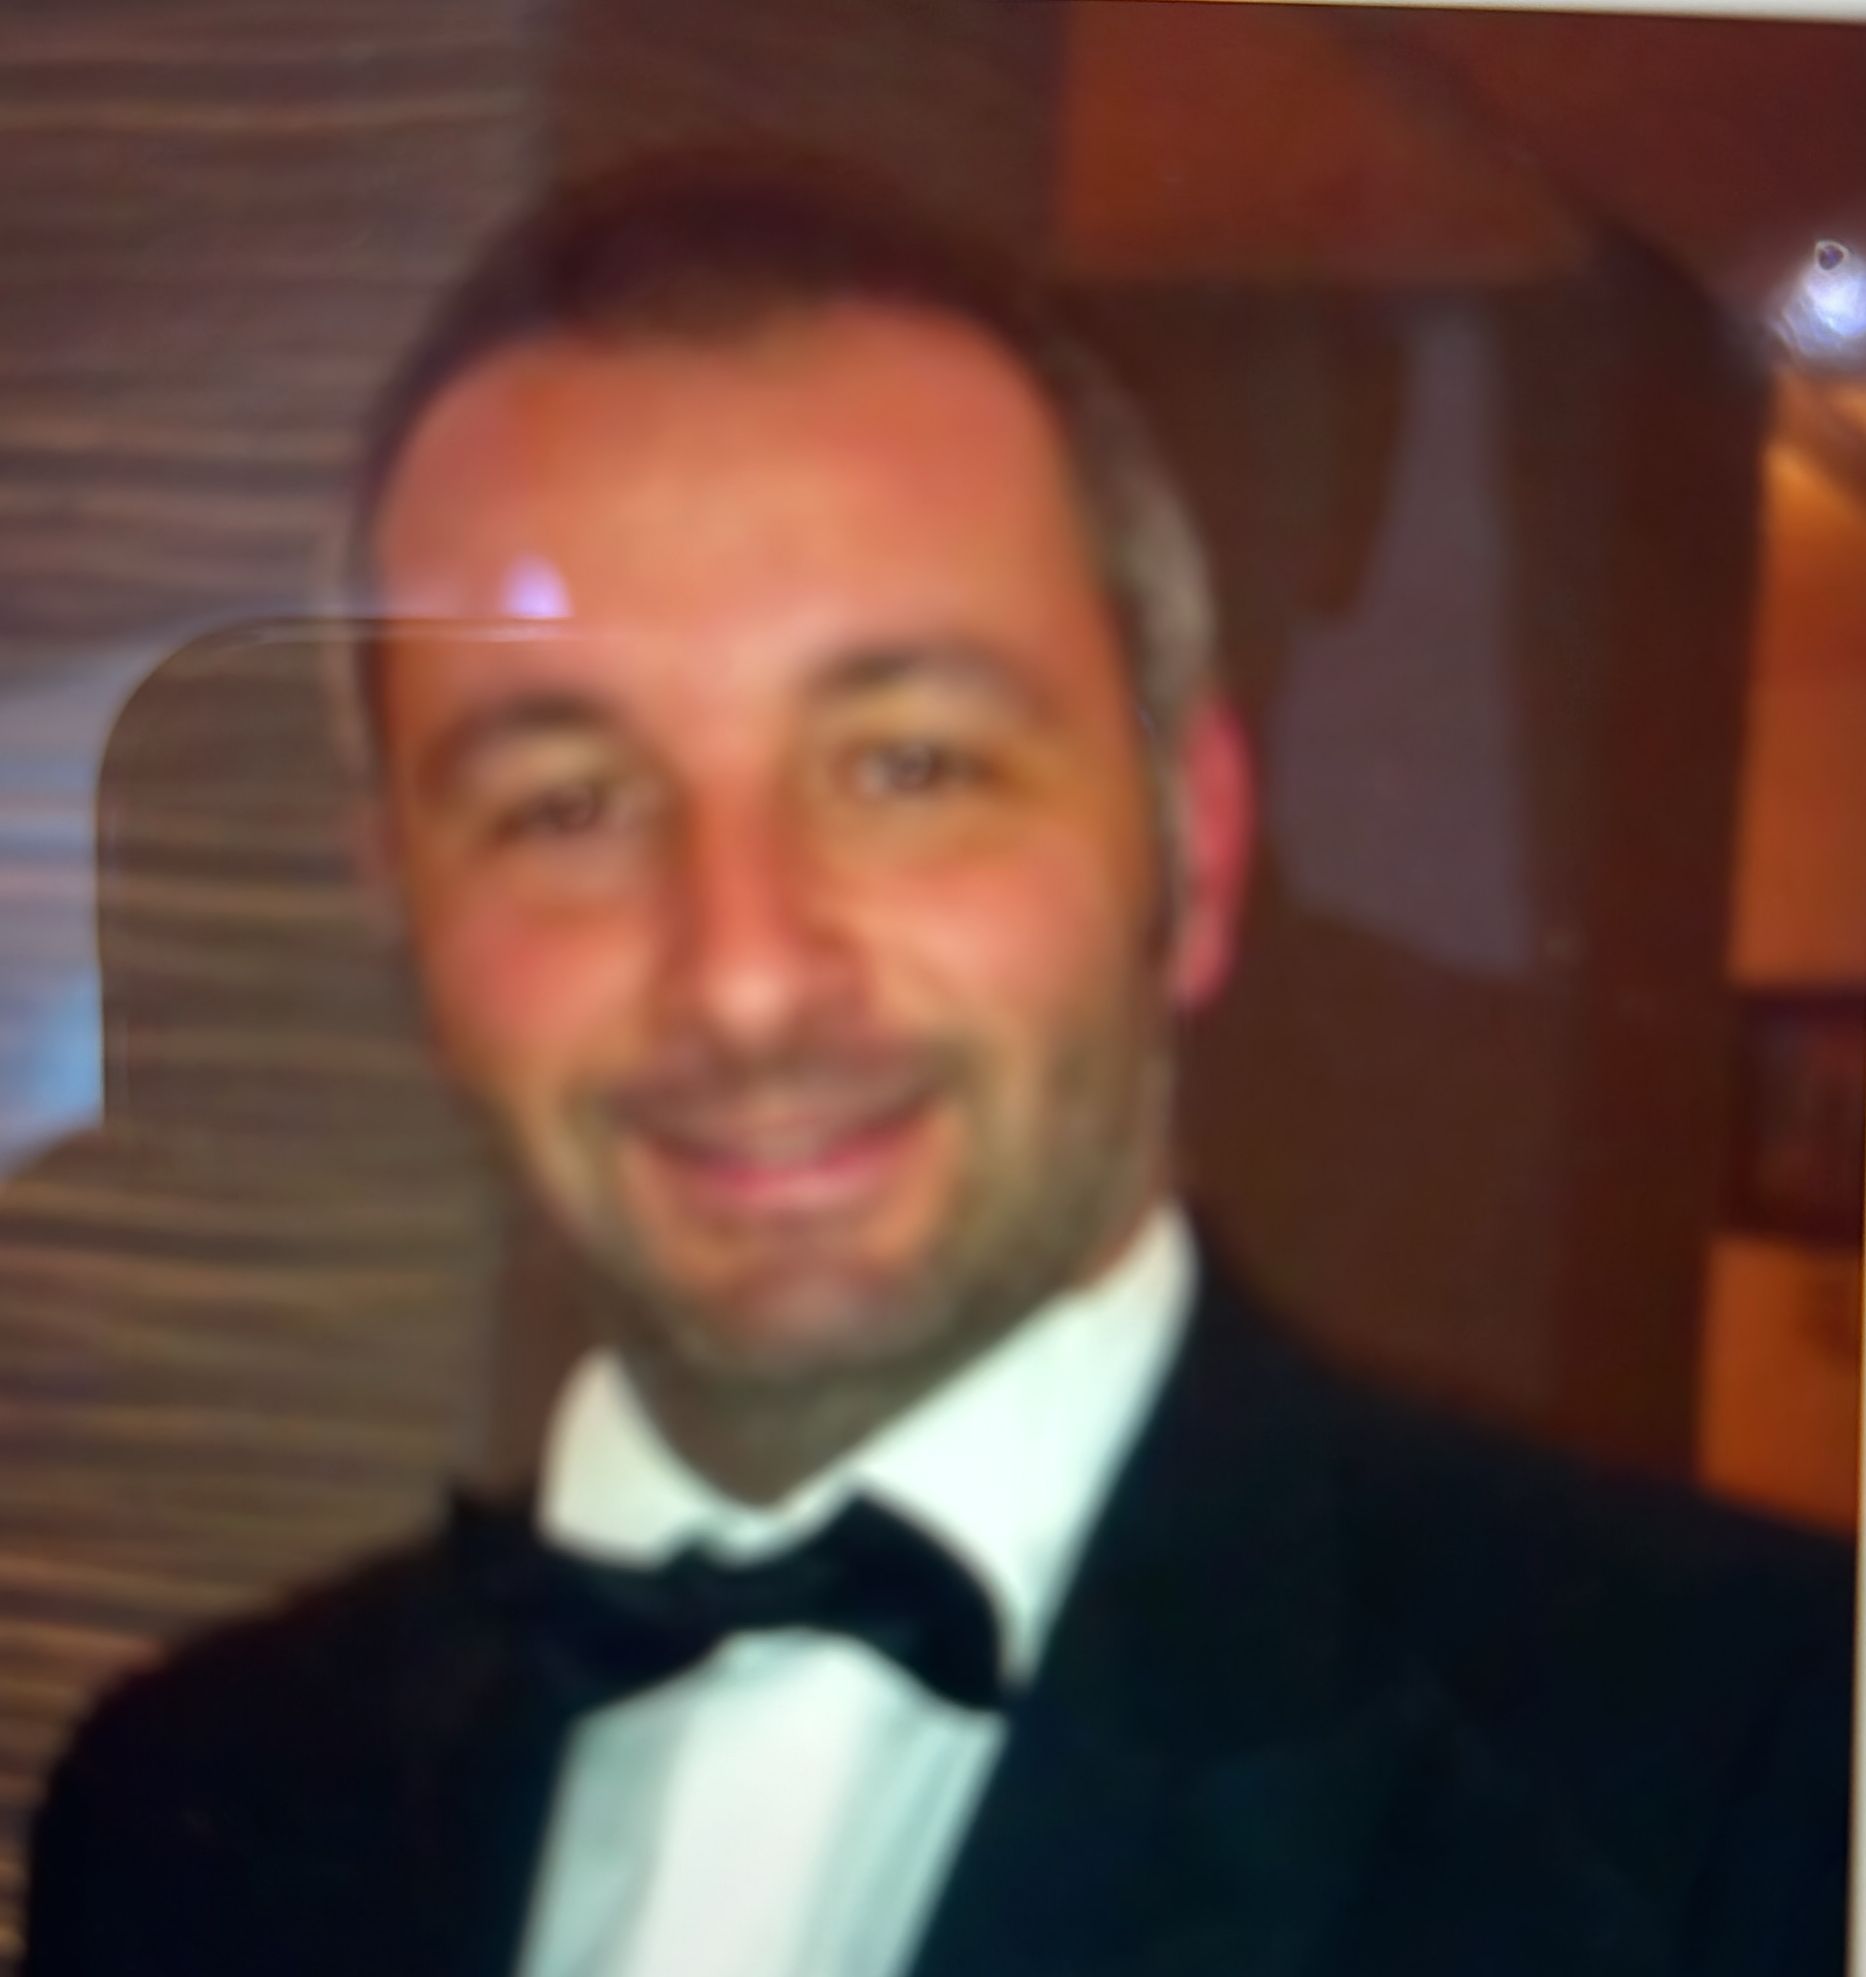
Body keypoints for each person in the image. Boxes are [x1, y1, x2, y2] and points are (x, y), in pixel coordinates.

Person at [25, 162, 1853, 1977]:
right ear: (405, 909)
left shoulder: (1764, 1781)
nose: (743, 976)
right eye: (564, 803)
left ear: (1193, 851)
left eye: (909, 765)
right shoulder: (175, 1803)